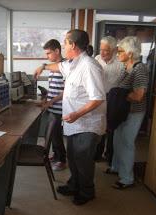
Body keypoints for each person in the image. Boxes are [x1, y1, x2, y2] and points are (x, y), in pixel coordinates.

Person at [34, 29, 106, 205]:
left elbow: (98, 98)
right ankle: (74, 184)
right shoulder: (73, 63)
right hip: (75, 123)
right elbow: (58, 67)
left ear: (73, 45)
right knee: (73, 158)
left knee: (83, 160)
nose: (63, 46)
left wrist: (76, 114)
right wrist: (42, 66)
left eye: (65, 43)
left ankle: (87, 192)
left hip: (87, 124)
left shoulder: (89, 66)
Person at [110, 36, 148, 189]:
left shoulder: (140, 69)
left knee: (127, 143)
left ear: (130, 53)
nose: (117, 53)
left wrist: (119, 96)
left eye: (120, 51)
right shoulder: (125, 67)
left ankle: (127, 178)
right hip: (122, 111)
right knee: (117, 139)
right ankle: (116, 168)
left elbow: (139, 95)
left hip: (133, 112)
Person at [94, 36, 123, 166]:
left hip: (113, 99)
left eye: (106, 50)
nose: (102, 53)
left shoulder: (120, 63)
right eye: (101, 49)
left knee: (111, 129)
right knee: (99, 126)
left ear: (114, 50)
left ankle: (110, 157)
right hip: (99, 98)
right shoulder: (96, 59)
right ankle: (97, 154)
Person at [41, 39, 66, 171]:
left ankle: (62, 160)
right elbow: (53, 88)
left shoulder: (65, 67)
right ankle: (56, 155)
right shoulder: (53, 67)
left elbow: (65, 92)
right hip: (51, 106)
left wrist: (50, 102)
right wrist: (46, 99)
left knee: (56, 134)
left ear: (57, 51)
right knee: (53, 134)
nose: (47, 56)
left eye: (49, 53)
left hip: (59, 107)